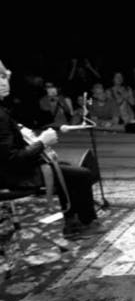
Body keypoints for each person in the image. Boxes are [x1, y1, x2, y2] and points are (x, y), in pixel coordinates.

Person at [0, 59, 103, 238]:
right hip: (14, 176)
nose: (4, 82)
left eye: (4, 76)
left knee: (63, 166)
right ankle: (83, 224)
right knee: (81, 174)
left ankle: (72, 221)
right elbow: (13, 159)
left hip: (10, 170)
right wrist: (43, 143)